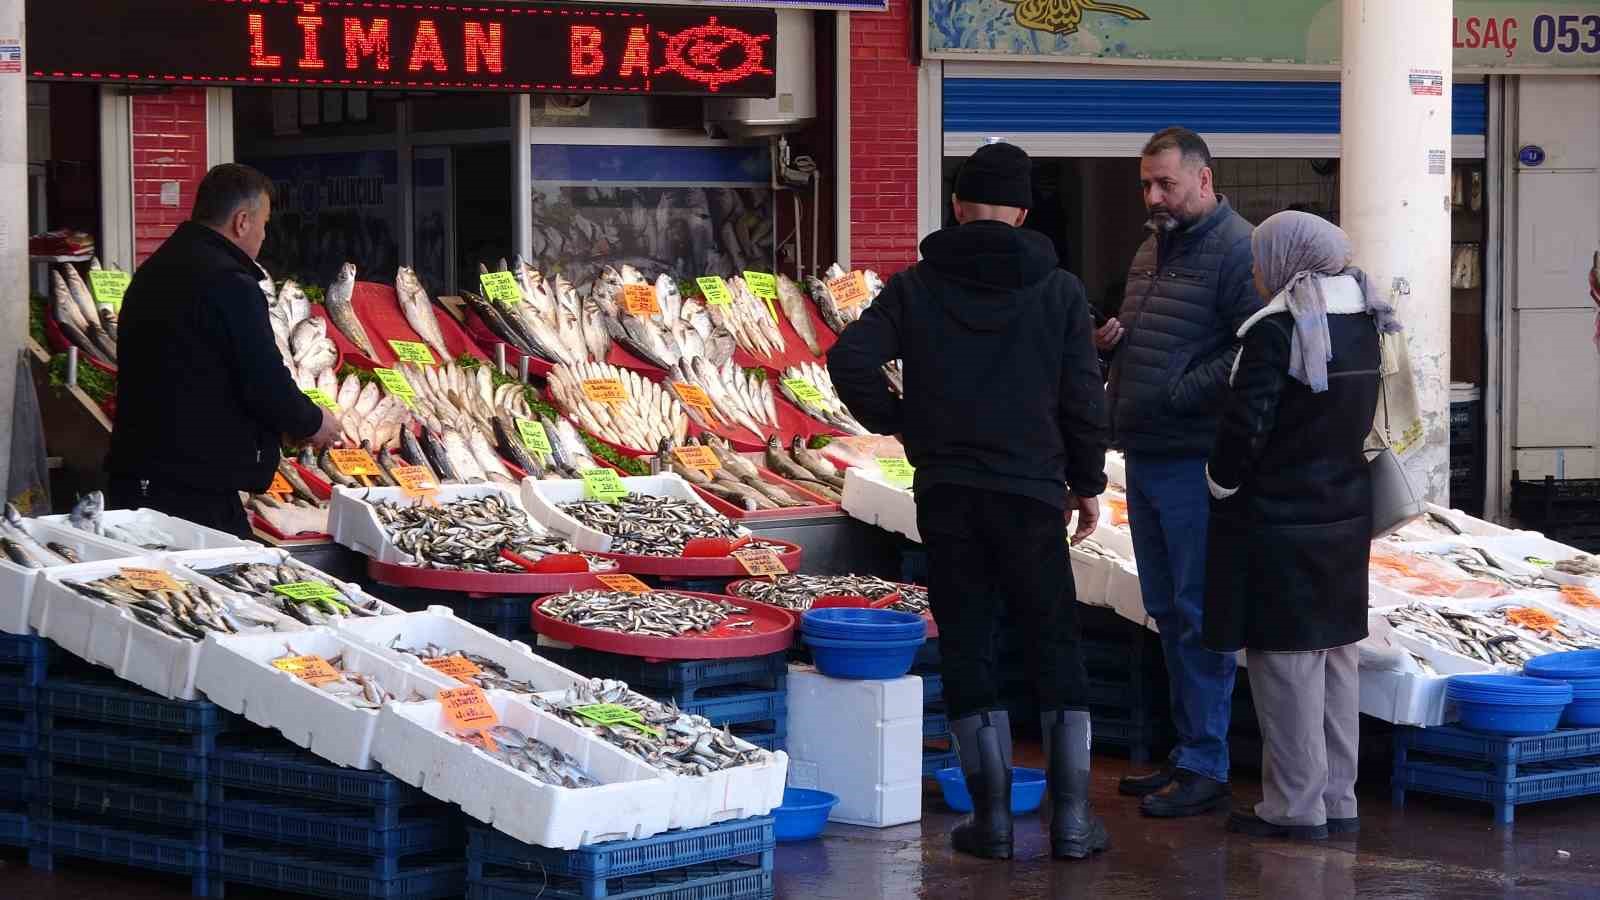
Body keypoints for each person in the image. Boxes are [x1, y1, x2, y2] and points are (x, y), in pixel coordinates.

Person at [828, 141, 1111, 862]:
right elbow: (1083, 398)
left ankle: (990, 823)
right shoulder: (1060, 291)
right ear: (1021, 210)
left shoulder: (918, 286)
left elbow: (850, 358)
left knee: (968, 639)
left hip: (949, 492)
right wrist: (1087, 485)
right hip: (1032, 494)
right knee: (1054, 640)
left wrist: (898, 419)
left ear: (956, 206)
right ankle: (1073, 823)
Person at [1203, 211, 1396, 840]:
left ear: (1287, 260)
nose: (1257, 272)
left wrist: (1221, 481)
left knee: (1286, 666)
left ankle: (1293, 805)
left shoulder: (1276, 331)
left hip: (1281, 521)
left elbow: (1246, 430)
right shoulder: (1367, 322)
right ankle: (1338, 798)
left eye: (1262, 259)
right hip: (1343, 514)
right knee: (1337, 657)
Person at [1099, 127, 1260, 817]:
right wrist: (1116, 346)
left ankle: (1207, 762)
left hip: (1194, 457)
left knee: (1197, 612)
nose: (1153, 196)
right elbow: (1165, 338)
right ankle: (1188, 751)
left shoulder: (1239, 249)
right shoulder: (1150, 249)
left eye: (1164, 183)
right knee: (1165, 610)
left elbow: (1256, 349)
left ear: (1203, 178)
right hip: (1145, 452)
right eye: (1145, 183)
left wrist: (1177, 391)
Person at [108, 164, 341, 537]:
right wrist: (312, 422)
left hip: (144, 475)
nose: (265, 235)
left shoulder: (157, 269)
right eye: (264, 223)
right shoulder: (229, 282)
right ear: (242, 221)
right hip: (189, 485)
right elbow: (263, 379)